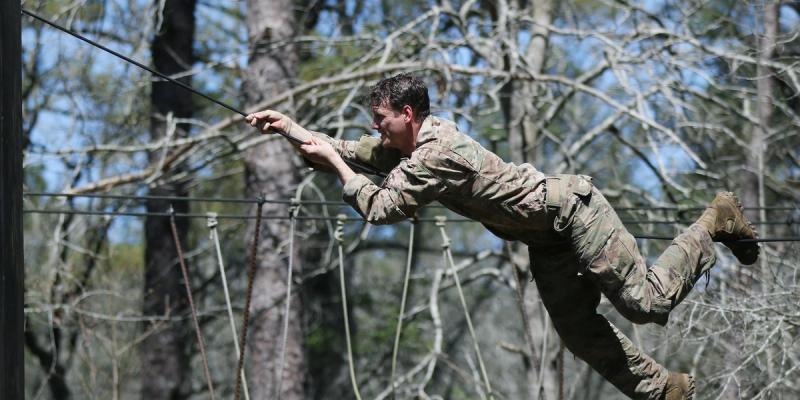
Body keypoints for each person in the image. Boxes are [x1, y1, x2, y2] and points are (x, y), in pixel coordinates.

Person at [245, 73, 759, 400]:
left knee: (645, 302)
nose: (377, 131)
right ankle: (663, 390)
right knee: (578, 332)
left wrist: (333, 163)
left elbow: (380, 207)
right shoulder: (408, 148)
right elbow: (353, 152)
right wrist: (292, 129)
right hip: (547, 239)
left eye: (381, 121)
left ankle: (716, 219)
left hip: (572, 213)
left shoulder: (437, 153)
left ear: (408, 115)